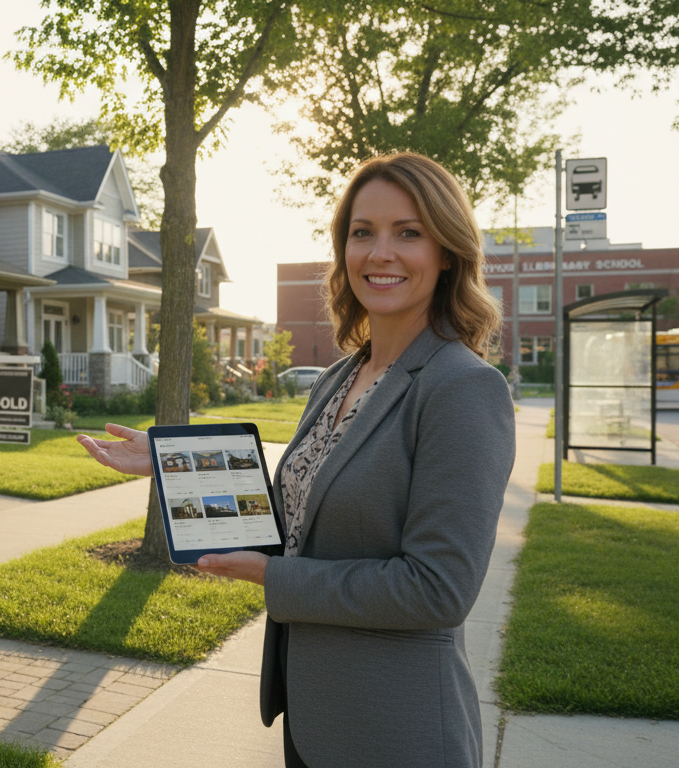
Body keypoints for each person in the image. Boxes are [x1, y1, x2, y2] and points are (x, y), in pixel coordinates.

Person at [76, 152, 515, 767]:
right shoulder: (339, 376)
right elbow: (301, 518)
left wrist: (270, 577)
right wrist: (181, 461)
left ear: (447, 252)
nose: (379, 252)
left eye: (408, 233)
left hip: (398, 733)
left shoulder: (462, 388)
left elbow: (436, 590)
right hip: (313, 721)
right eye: (362, 233)